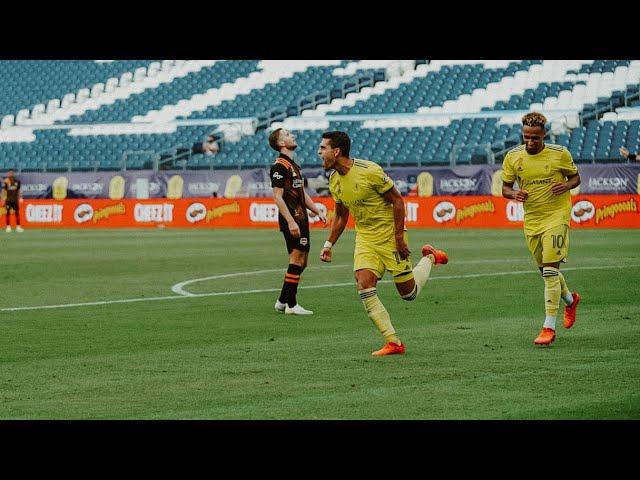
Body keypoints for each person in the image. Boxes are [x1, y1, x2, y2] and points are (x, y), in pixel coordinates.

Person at [317, 131, 448, 356]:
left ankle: (430, 257)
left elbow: (397, 201)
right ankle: (393, 341)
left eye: (323, 148)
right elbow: (340, 215)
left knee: (408, 295)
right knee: (364, 283)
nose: (319, 153)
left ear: (336, 151)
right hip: (366, 238)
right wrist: (329, 244)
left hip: (390, 236)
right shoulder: (334, 180)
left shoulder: (370, 172)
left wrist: (398, 238)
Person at [501, 112, 581, 346]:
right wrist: (514, 193)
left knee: (549, 272)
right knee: (546, 271)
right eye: (526, 137)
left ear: (543, 134)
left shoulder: (559, 154)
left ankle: (548, 327)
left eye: (535, 138)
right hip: (533, 220)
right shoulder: (513, 157)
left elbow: (576, 178)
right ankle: (570, 299)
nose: (530, 142)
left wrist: (565, 185)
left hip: (557, 216)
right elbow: (504, 188)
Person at [269, 128, 327, 315]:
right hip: (292, 218)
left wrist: (317, 210)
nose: (292, 135)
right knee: (296, 259)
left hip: (301, 217)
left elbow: (301, 194)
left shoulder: (293, 165)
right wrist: (290, 221)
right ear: (281, 144)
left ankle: (282, 300)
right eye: (286, 135)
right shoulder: (280, 166)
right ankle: (292, 305)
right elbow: (277, 196)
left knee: (303, 263)